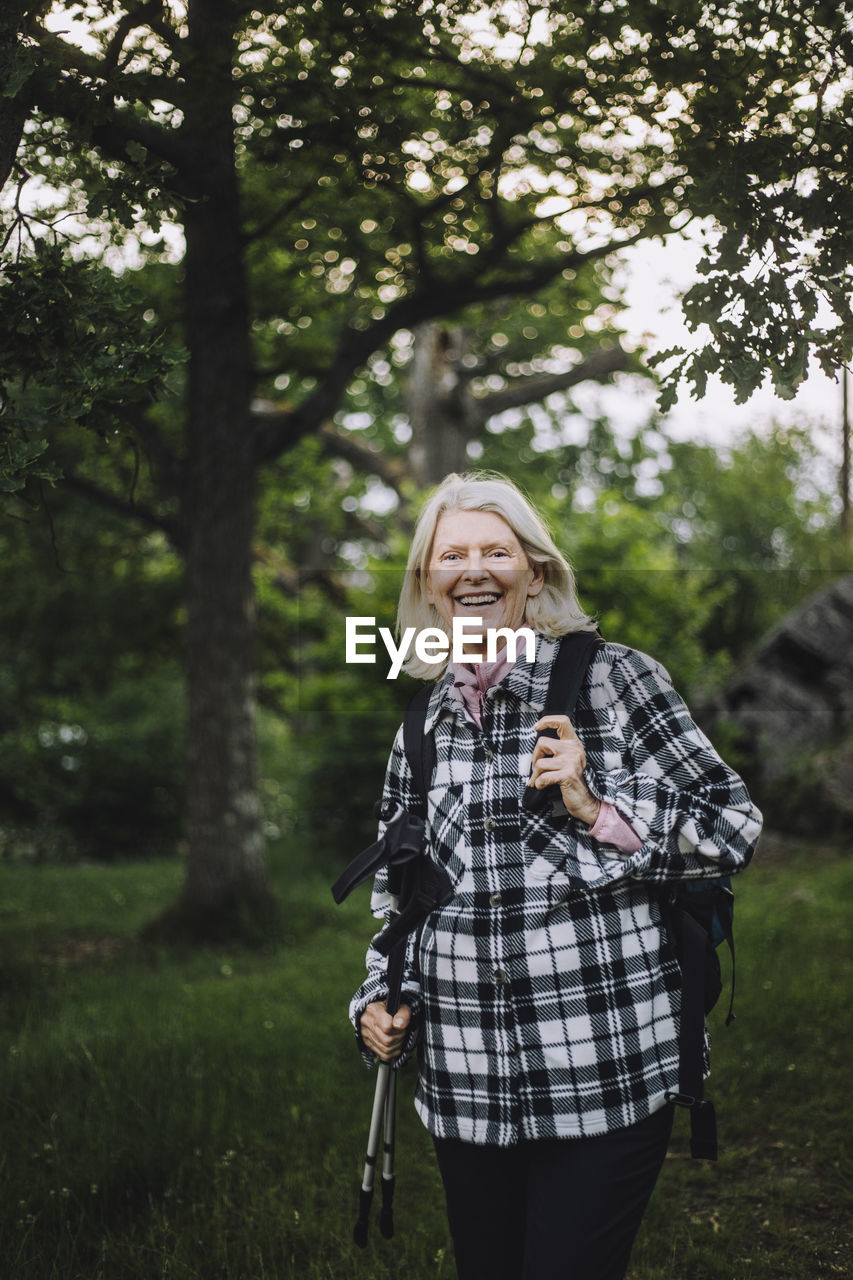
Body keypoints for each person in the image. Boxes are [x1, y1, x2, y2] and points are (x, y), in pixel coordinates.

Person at [349, 471, 762, 1280]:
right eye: (452, 554)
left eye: (496, 551)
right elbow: (399, 904)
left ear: (533, 574)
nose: (474, 569)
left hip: (600, 1071)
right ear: (428, 587)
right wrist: (375, 999)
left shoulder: (615, 680)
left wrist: (596, 803)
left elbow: (729, 823)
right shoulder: (419, 726)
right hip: (466, 1086)